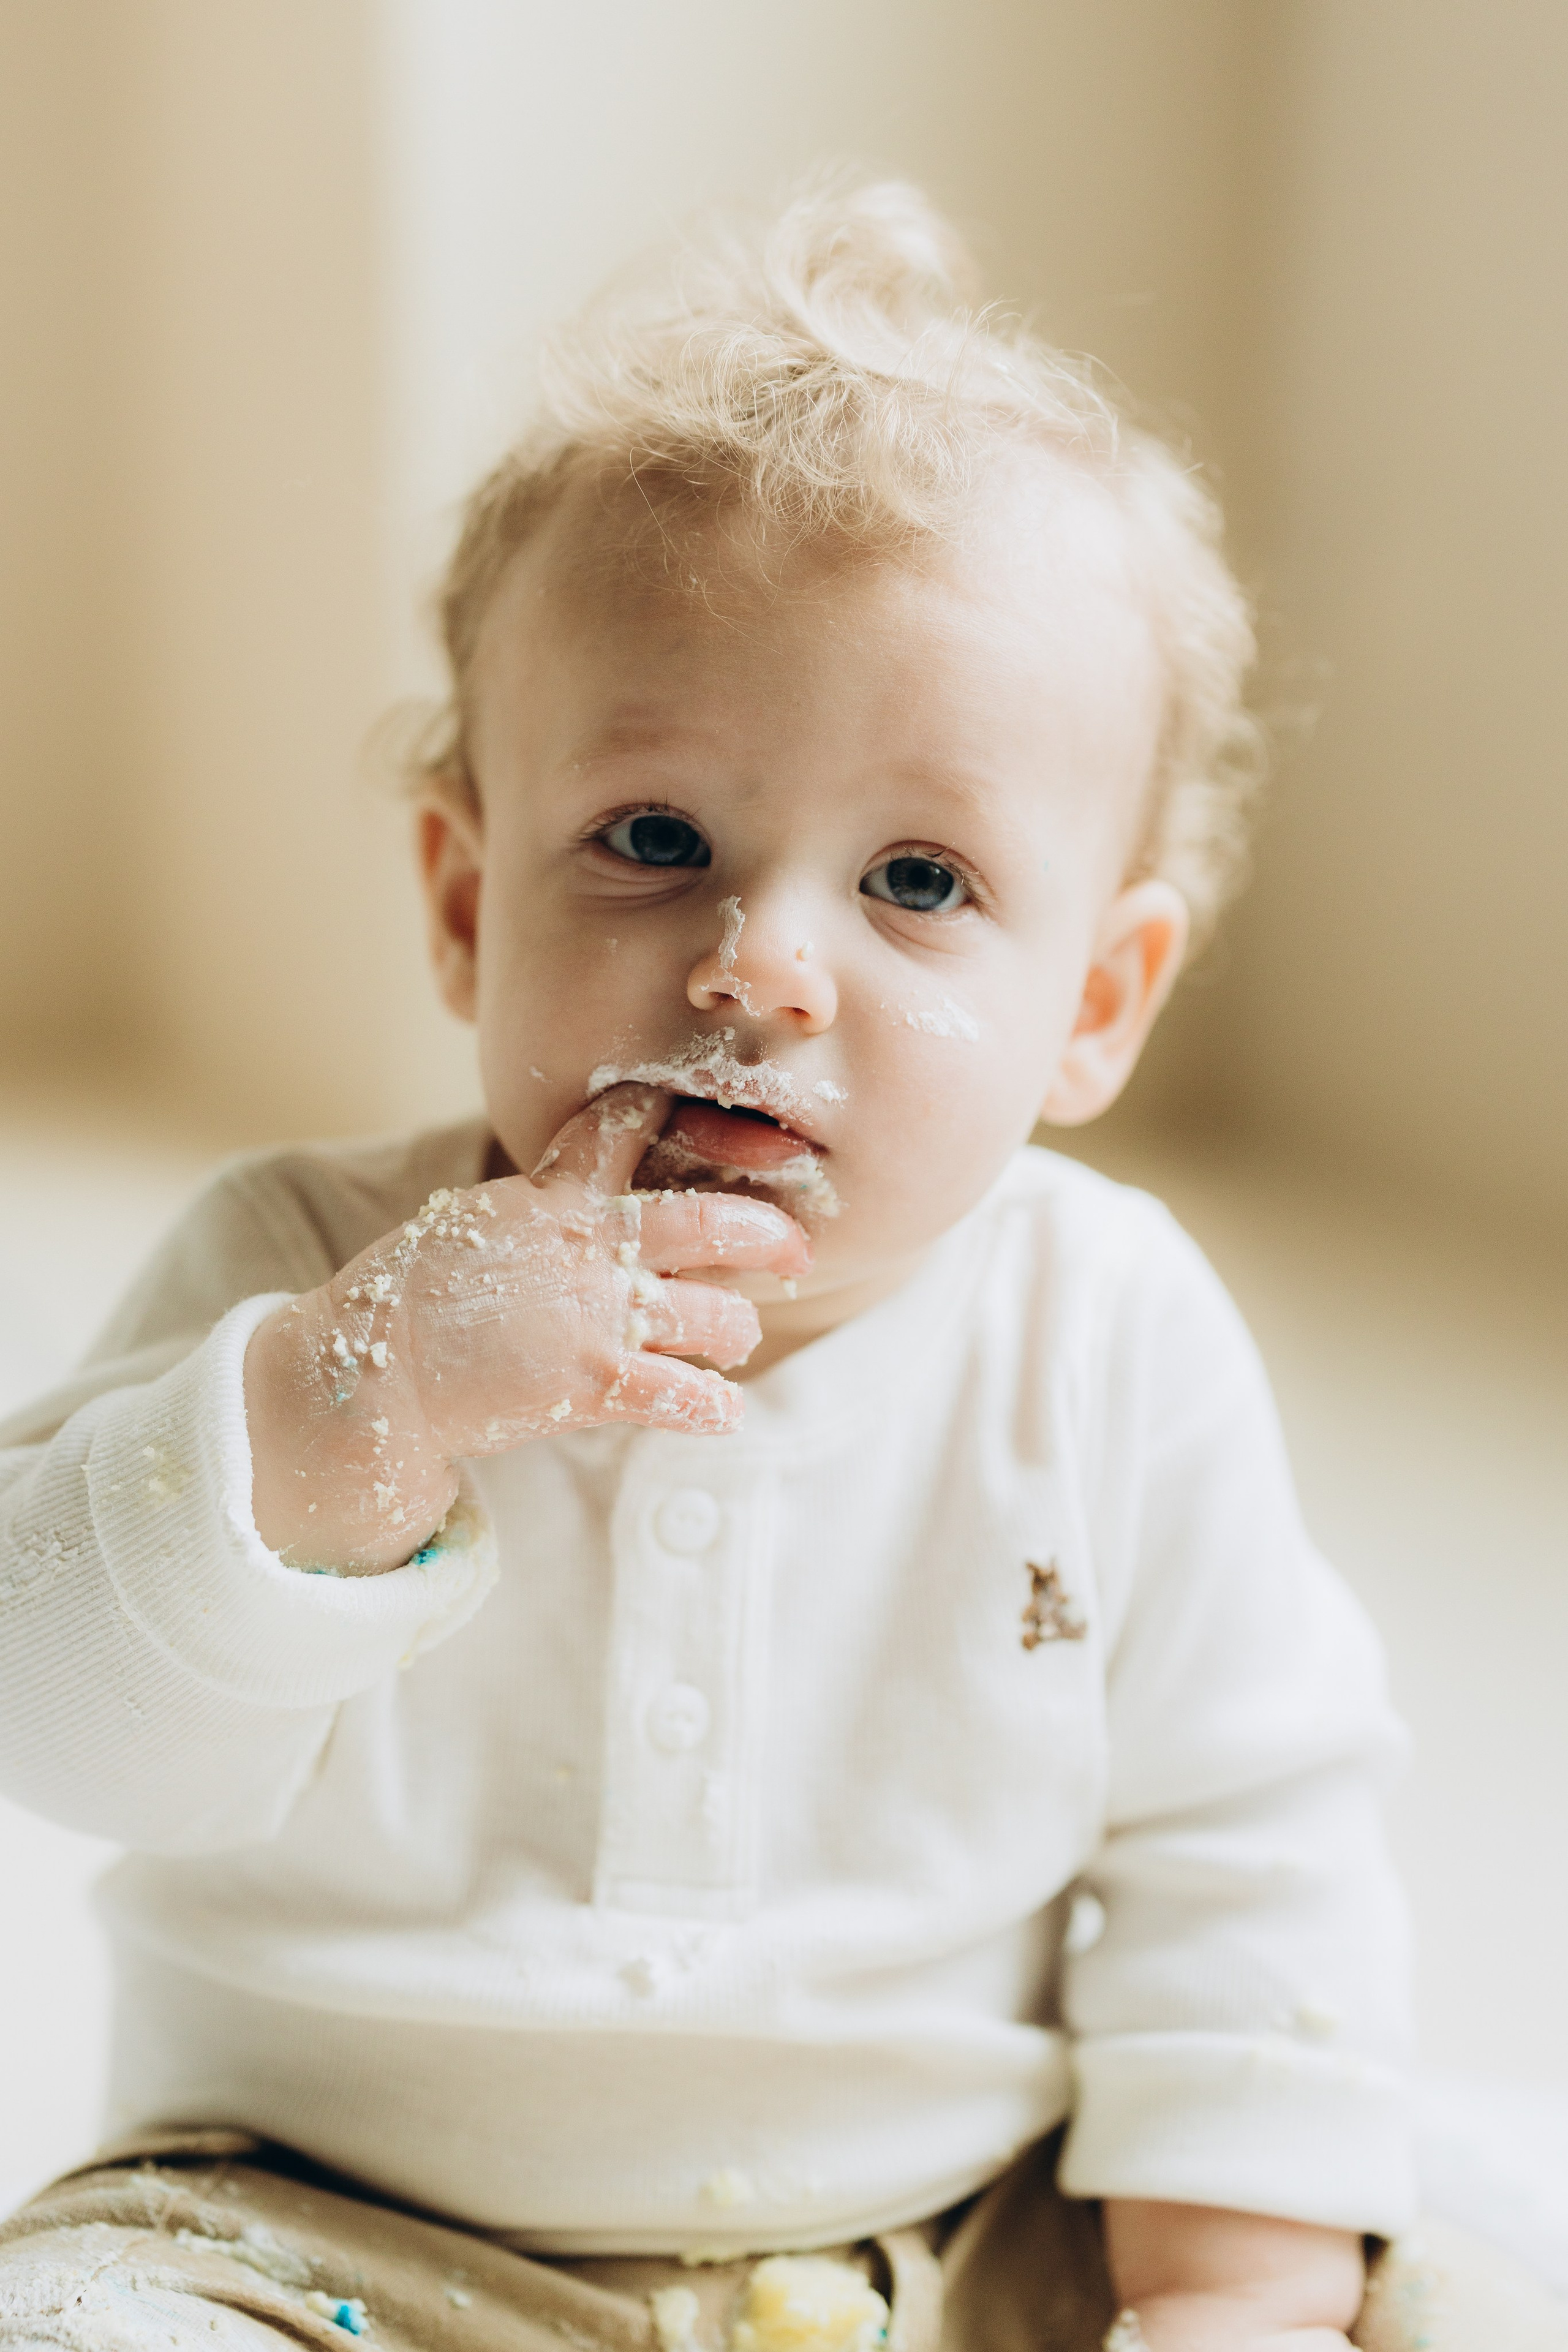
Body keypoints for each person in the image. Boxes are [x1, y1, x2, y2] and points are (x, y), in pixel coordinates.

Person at [1, 178, 1559, 2352]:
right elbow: (59, 1716)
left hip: (949, 2237)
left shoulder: (1106, 1340)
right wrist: (366, 1397)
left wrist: (1234, 2292)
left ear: (1098, 1002)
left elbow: (1250, 1845)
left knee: (1463, 2265)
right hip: (323, 2236)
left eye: (919, 879)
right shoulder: (299, 1268)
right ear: (464, 902)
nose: (760, 965)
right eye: (656, 841)